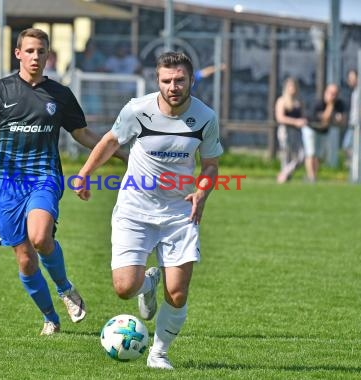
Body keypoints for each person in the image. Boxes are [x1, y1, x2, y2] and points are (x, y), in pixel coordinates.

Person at [0, 28, 124, 336]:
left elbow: (82, 134)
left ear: (48, 55)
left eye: (41, 51)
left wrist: (121, 154)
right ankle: (50, 317)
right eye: (30, 51)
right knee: (25, 259)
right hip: (6, 182)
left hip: (44, 176)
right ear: (18, 54)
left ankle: (65, 289)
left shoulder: (60, 94)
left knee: (40, 238)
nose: (36, 56)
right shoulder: (0, 91)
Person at [74, 52, 223, 370]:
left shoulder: (205, 117)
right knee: (124, 287)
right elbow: (112, 141)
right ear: (158, 81)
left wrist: (202, 191)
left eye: (180, 79)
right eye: (167, 80)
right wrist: (85, 173)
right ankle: (147, 285)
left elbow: (210, 164)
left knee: (178, 293)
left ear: (191, 80)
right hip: (135, 208)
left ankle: (159, 353)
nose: (173, 86)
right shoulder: (137, 110)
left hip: (179, 212)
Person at [304, 83, 346, 182]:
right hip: (311, 129)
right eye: (331, 93)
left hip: (323, 131)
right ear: (326, 93)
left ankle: (314, 175)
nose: (333, 96)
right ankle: (311, 177)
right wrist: (330, 105)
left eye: (335, 94)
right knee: (311, 153)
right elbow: (325, 119)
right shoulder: (318, 103)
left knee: (319, 155)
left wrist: (338, 119)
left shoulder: (340, 104)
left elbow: (342, 121)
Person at [274, 77, 308, 184]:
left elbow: (302, 116)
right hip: (286, 131)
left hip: (297, 132)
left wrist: (303, 121)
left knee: (301, 156)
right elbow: (280, 118)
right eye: (290, 86)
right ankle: (285, 178)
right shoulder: (282, 101)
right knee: (286, 156)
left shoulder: (299, 102)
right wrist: (295, 122)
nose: (293, 89)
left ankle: (284, 174)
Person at [342, 69, 361, 161]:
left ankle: (357, 164)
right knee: (348, 146)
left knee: (348, 145)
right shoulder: (355, 91)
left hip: (359, 124)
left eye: (353, 78)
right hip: (353, 123)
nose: (350, 80)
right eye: (349, 78)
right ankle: (355, 164)